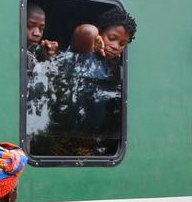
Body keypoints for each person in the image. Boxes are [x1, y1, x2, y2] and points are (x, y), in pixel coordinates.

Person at [26, 8, 136, 157]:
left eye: (123, 44)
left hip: (92, 140)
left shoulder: (114, 66)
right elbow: (86, 31)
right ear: (100, 33)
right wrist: (94, 38)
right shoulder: (84, 53)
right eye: (111, 38)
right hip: (64, 137)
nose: (116, 46)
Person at [24, 4, 59, 72]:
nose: (37, 33)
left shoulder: (38, 52)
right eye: (30, 26)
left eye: (41, 28)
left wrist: (49, 58)